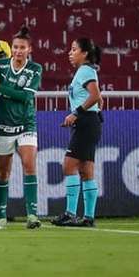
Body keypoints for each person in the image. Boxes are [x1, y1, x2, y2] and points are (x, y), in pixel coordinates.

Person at [0, 27, 43, 229]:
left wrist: (1, 88)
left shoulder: (35, 69)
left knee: (29, 165)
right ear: (11, 48)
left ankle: (32, 216)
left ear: (29, 49)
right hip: (3, 125)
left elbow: (26, 97)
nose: (18, 51)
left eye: (22, 48)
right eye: (15, 47)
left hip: (26, 124)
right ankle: (1, 216)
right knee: (3, 172)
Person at [52, 38, 104, 228]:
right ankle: (88, 217)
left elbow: (95, 95)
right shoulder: (88, 71)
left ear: (85, 53)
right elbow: (99, 98)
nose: (70, 53)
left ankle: (70, 213)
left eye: (74, 49)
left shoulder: (84, 71)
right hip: (90, 122)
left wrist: (77, 113)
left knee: (69, 165)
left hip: (85, 122)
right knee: (85, 170)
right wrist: (94, 111)